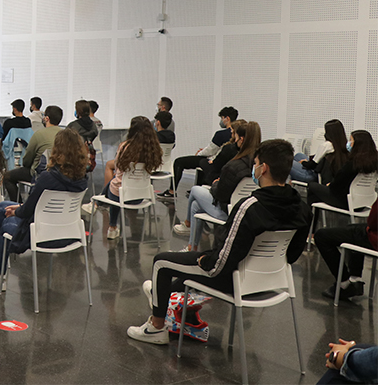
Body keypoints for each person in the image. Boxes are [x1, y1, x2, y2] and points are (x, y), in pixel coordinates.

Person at [127, 138, 311, 346]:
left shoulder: (250, 206)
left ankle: (156, 327)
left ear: (264, 168)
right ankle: (163, 293)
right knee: (186, 269)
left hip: (234, 280)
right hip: (272, 282)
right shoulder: (302, 207)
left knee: (162, 263)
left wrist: (204, 261)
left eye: (256, 163)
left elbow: (220, 263)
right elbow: (292, 254)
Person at [0, 128, 89, 290]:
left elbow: (28, 211)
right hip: (68, 233)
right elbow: (37, 208)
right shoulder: (83, 180)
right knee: (2, 206)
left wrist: (17, 211)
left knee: (4, 221)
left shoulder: (47, 178)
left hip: (40, 233)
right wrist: (19, 208)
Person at [174, 121, 261, 251]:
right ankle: (191, 246)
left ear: (241, 139)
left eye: (235, 136)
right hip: (250, 212)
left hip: (229, 212)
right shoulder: (260, 165)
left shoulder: (233, 166)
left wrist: (215, 184)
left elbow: (221, 194)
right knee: (195, 206)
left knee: (195, 190)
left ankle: (188, 228)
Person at [83, 116, 163, 239]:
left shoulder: (125, 146)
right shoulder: (154, 149)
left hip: (120, 195)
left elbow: (119, 171)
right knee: (117, 184)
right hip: (141, 196)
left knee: (115, 185)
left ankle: (111, 225)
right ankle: (98, 207)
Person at [309, 129, 378, 219]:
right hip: (365, 203)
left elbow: (336, 185)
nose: (348, 143)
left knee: (312, 186)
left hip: (346, 201)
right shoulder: (374, 163)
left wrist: (330, 184)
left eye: (351, 140)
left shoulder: (352, 163)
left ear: (357, 144)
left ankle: (311, 225)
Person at [171, 106, 239, 195]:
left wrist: (199, 153)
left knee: (179, 162)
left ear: (227, 118)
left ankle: (171, 191)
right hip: (223, 162)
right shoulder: (239, 135)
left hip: (213, 161)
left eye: (222, 118)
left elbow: (209, 151)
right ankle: (198, 188)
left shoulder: (221, 134)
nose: (221, 121)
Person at [2, 105, 63, 201]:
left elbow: (27, 160)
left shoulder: (39, 134)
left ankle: (17, 205)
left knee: (7, 177)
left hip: (39, 174)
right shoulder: (66, 135)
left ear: (46, 118)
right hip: (60, 175)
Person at [294, 119, 349, 184]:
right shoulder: (344, 145)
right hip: (329, 176)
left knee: (285, 161)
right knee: (299, 155)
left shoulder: (326, 145)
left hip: (314, 176)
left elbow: (312, 165)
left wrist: (303, 162)